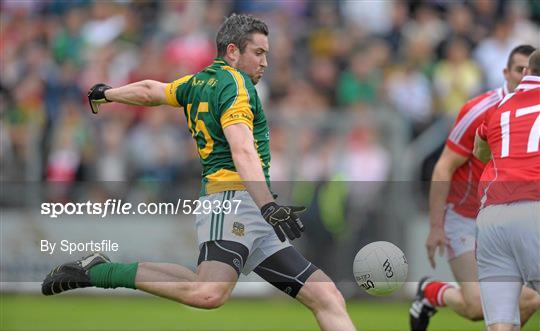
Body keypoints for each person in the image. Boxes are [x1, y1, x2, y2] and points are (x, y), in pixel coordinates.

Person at [41, 14, 356, 331]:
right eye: (258, 53)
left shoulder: (198, 81)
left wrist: (108, 93)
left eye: (267, 54)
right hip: (230, 202)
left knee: (327, 297)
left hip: (250, 208)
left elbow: (152, 91)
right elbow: (242, 149)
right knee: (208, 293)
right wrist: (268, 204)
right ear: (233, 52)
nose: (265, 63)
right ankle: (99, 271)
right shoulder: (237, 85)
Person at [409, 45, 540, 331]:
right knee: (477, 307)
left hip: (494, 217)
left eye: (525, 70)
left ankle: (435, 294)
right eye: (517, 69)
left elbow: (483, 151)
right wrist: (435, 226)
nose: (522, 75)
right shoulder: (479, 109)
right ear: (506, 72)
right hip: (466, 216)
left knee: (524, 303)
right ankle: (432, 292)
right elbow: (444, 166)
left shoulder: (506, 111)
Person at [472, 50, 540, 331]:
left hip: (492, 217)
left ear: (526, 73)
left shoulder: (499, 105)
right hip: (534, 208)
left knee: (500, 324)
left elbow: (480, 150)